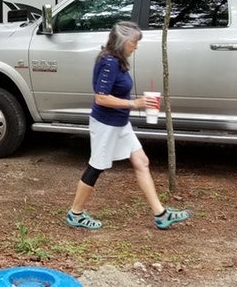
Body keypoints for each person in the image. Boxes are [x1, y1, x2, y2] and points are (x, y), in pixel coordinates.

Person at [65, 20, 190, 230]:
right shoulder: (109, 62)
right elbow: (101, 98)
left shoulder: (117, 60)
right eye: (133, 42)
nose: (136, 46)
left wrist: (136, 103)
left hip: (120, 123)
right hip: (106, 124)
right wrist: (135, 103)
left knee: (142, 161)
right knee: (96, 167)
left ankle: (160, 215)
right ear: (122, 41)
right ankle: (75, 213)